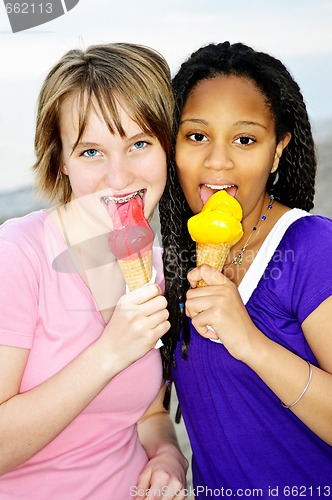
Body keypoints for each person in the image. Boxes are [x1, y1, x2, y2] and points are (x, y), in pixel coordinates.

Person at [0, 43, 188, 499]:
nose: (119, 177)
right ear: (61, 159)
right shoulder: (17, 256)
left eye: (139, 143)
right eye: (91, 152)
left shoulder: (156, 269)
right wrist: (108, 353)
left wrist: (167, 455)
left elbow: (149, 414)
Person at [159, 41, 332, 498]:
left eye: (245, 139)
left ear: (278, 151)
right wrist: (165, 457)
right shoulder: (173, 266)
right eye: (196, 136)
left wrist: (250, 342)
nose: (218, 162)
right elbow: (157, 413)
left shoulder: (313, 247)